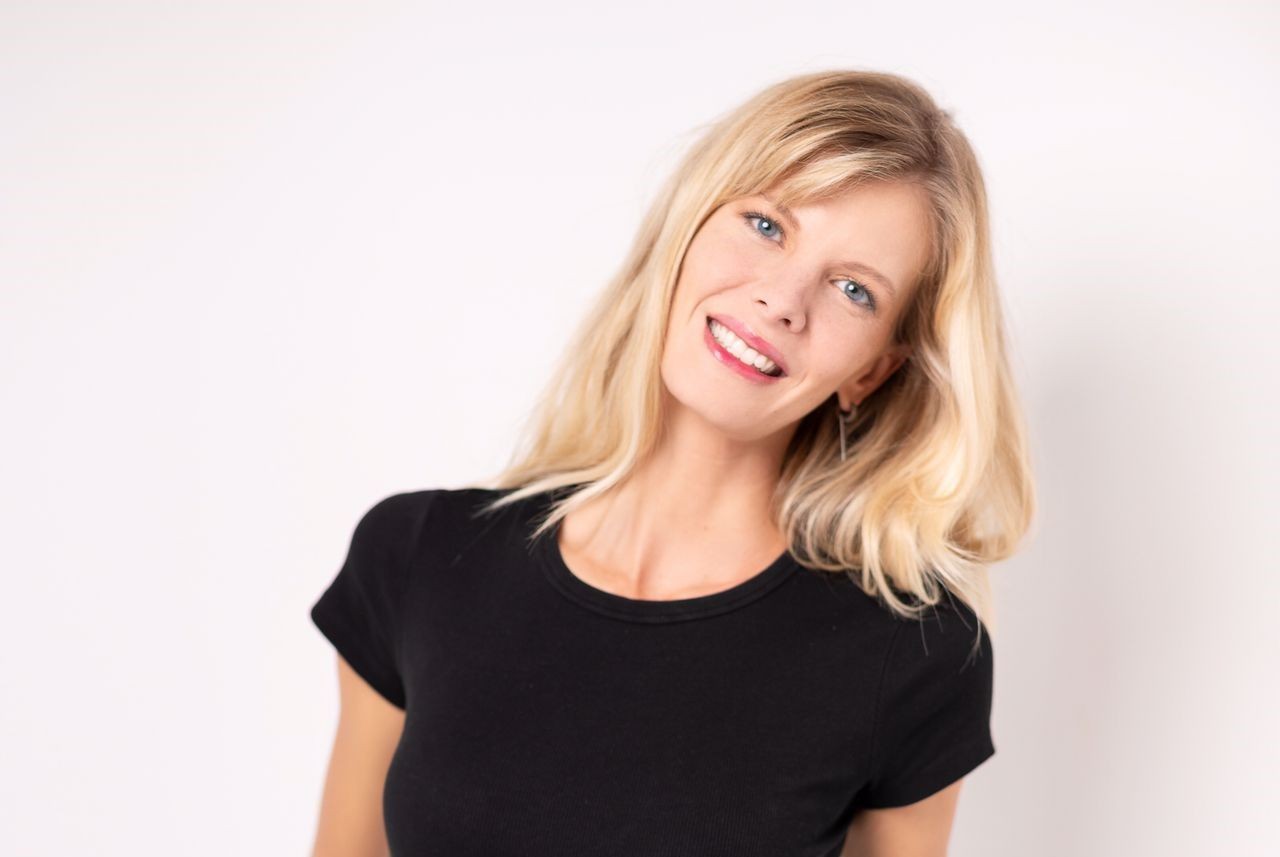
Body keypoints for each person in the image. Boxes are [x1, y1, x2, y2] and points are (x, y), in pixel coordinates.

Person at [308, 69, 1035, 857]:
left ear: (873, 370)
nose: (783, 299)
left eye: (853, 288)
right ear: (687, 227)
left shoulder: (910, 656)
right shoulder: (419, 556)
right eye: (766, 225)